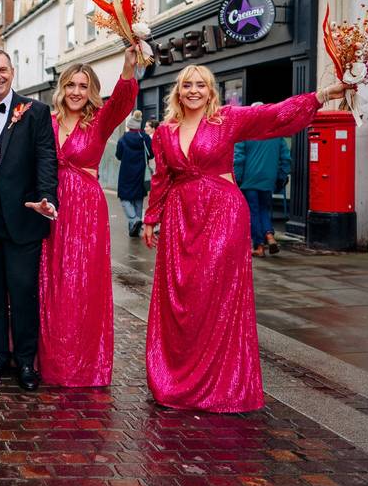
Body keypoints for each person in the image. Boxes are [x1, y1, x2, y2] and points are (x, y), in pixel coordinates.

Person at [142, 65, 355, 412]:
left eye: (201, 85)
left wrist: (321, 96)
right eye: (187, 85)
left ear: (211, 92)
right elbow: (162, 177)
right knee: (183, 296)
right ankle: (178, 378)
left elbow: (272, 116)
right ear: (177, 92)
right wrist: (152, 217)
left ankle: (219, 383)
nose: (193, 90)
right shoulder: (165, 132)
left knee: (216, 294)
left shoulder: (227, 119)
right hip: (181, 219)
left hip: (223, 214)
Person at [38, 52, 139, 387]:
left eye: (83, 86)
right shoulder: (47, 122)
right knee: (51, 278)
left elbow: (122, 102)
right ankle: (50, 359)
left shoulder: (98, 122)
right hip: (50, 206)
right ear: (62, 88)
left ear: (92, 91)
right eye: (71, 84)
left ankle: (83, 364)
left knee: (81, 280)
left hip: (85, 208)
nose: (77, 91)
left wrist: (128, 67)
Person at [0, 49, 58, 391]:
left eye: (2, 70)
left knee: (24, 293)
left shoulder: (35, 111)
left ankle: (25, 361)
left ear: (13, 71)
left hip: (24, 218)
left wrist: (47, 199)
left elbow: (46, 158)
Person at [233, 109, 291, 257]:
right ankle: (270, 236)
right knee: (264, 209)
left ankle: (259, 246)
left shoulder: (245, 135)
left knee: (253, 211)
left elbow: (238, 160)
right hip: (268, 181)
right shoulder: (277, 135)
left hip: (249, 181)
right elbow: (285, 159)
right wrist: (280, 178)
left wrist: (237, 180)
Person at [115, 109, 153, 237]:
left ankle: (135, 220)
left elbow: (118, 155)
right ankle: (134, 229)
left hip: (126, 173)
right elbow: (151, 154)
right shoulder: (145, 138)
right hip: (141, 173)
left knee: (125, 198)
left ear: (129, 126)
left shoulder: (123, 139)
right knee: (138, 199)